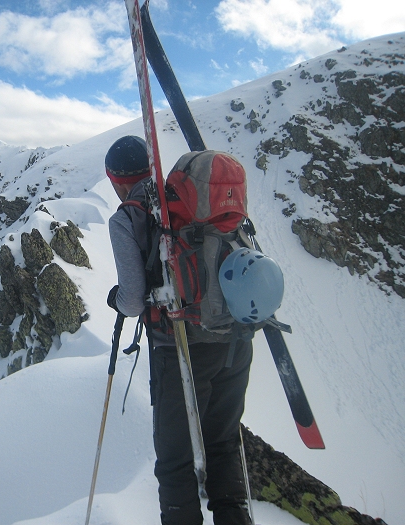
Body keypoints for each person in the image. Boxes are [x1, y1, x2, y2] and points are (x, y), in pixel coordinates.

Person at [105, 135, 253, 525]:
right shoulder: (185, 200)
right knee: (223, 445)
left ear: (115, 180)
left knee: (175, 462)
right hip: (236, 338)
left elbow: (134, 300)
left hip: (181, 346)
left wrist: (115, 300)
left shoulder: (127, 217)